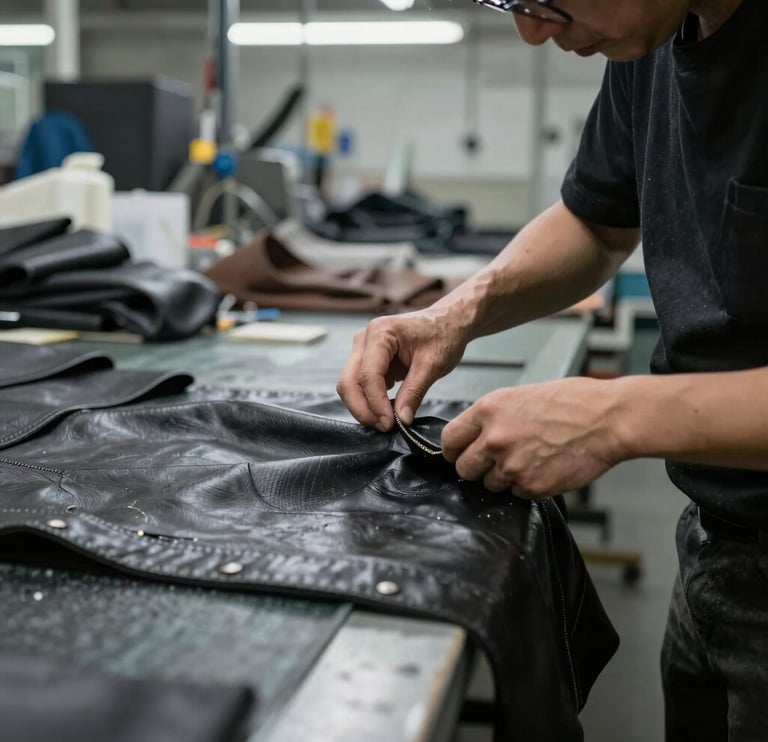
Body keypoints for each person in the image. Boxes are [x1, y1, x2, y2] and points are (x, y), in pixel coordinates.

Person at [336, 0, 768, 739]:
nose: (531, 31)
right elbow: (597, 221)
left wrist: (614, 417)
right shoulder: (657, 40)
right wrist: (453, 315)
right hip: (720, 540)